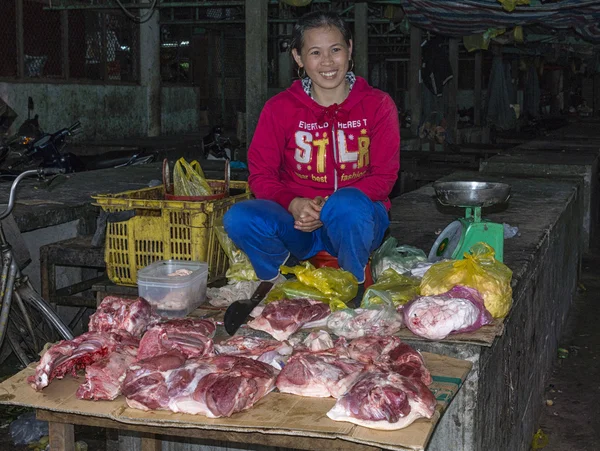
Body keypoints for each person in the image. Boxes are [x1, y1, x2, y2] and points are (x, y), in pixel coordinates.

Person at [223, 10, 400, 298]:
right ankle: (277, 281)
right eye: (315, 52)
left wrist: (328, 206)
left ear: (350, 49)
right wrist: (292, 203)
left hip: (355, 220)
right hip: (297, 222)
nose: (327, 62)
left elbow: (384, 177)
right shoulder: (279, 108)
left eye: (336, 50)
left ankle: (353, 288)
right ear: (298, 57)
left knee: (347, 206)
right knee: (239, 217)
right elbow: (261, 175)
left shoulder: (378, 105)